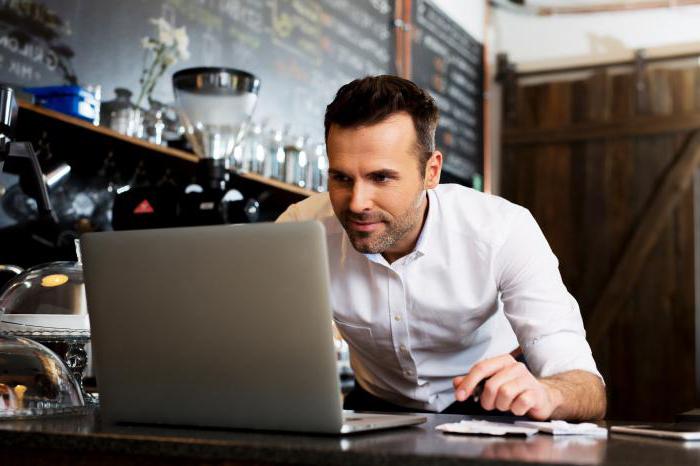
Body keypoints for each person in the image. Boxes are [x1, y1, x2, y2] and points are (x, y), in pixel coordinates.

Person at [276, 75, 606, 421]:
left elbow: (585, 387)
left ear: (431, 171)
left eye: (381, 178)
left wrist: (550, 392)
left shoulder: (503, 230)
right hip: (377, 403)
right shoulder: (302, 231)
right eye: (341, 178)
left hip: (492, 399)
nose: (357, 203)